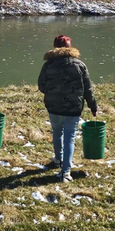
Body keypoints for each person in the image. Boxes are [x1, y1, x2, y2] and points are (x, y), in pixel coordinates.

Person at [37, 34, 98, 181]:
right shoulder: (79, 65)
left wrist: (51, 93)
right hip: (73, 108)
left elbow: (41, 85)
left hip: (53, 107)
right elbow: (87, 89)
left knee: (57, 133)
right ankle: (66, 172)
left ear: (55, 47)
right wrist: (92, 106)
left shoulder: (48, 65)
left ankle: (58, 159)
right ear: (70, 47)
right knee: (70, 138)